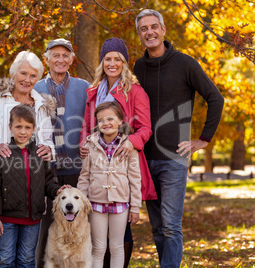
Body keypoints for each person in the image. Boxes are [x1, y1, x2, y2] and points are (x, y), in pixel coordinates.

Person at [133, 9, 224, 267]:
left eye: (153, 27)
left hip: (174, 158)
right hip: (145, 158)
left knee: (171, 226)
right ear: (140, 35)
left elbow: (216, 98)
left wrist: (203, 139)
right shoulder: (139, 67)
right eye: (143, 29)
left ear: (162, 30)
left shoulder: (186, 64)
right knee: (158, 228)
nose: (149, 32)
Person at [0, 51, 55, 267]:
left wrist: (48, 149)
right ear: (13, 74)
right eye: (23, 73)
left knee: (24, 252)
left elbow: (48, 140)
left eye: (33, 76)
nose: (27, 79)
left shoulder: (41, 106)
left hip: (27, 190)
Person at [79, 37, 157, 267]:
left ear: (124, 62)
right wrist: (84, 144)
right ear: (101, 62)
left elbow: (145, 128)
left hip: (123, 157)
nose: (112, 63)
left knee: (121, 235)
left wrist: (131, 141)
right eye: (107, 59)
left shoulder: (135, 91)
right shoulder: (93, 91)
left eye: (117, 59)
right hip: (97, 158)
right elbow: (86, 125)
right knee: (98, 239)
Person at [0, 104, 69, 267]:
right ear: (10, 127)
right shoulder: (2, 155)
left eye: (27, 127)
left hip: (33, 219)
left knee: (26, 259)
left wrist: (57, 190)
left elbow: (47, 183)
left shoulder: (40, 154)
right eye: (18, 127)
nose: (22, 132)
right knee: (6, 259)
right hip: (7, 219)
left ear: (34, 129)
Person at [34, 38, 91, 267]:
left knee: (79, 224)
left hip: (77, 168)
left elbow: (93, 121)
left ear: (71, 59)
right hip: (45, 170)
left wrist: (90, 140)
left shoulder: (84, 87)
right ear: (46, 58)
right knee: (43, 227)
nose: (60, 59)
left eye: (65, 55)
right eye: (55, 55)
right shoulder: (35, 88)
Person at [77, 101, 141, 267]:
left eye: (110, 119)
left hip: (120, 203)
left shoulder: (129, 147)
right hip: (96, 204)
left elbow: (135, 179)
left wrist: (135, 207)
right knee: (98, 247)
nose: (106, 123)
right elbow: (84, 177)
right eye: (101, 120)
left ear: (120, 121)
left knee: (117, 246)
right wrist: (81, 204)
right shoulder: (90, 145)